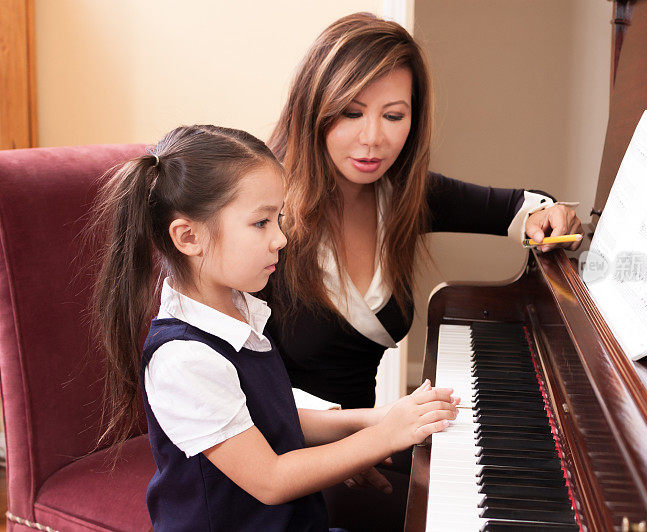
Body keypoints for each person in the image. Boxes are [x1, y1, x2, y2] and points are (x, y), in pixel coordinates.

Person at [261, 12, 583, 530]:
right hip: (283, 459)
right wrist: (359, 439)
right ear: (313, 108)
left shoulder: (404, 197)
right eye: (350, 112)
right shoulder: (265, 213)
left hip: (366, 451)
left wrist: (552, 217)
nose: (372, 140)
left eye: (394, 115)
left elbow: (524, 208)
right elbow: (242, 386)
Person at [90, 124, 458, 531]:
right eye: (261, 223)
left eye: (278, 218)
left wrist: (374, 419)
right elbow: (271, 480)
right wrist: (382, 437)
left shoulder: (240, 308)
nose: (281, 238)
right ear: (189, 236)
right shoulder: (184, 358)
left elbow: (274, 415)